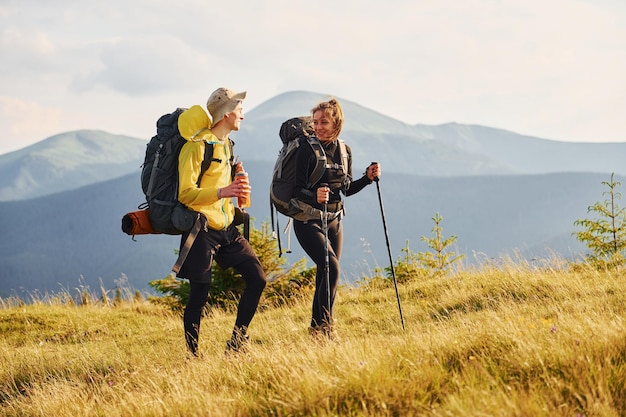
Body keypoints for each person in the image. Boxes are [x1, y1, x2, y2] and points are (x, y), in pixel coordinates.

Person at [176, 87, 267, 356]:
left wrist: (237, 188)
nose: (243, 116)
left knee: (257, 278)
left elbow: (227, 188)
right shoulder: (196, 147)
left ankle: (237, 342)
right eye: (240, 111)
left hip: (226, 228)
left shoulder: (226, 145)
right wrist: (223, 191)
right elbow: (185, 193)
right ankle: (193, 355)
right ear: (226, 114)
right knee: (200, 293)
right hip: (201, 229)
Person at [293, 97, 381, 338]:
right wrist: (314, 194)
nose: (319, 127)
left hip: (334, 220)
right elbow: (296, 189)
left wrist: (367, 178)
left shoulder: (344, 150)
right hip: (307, 220)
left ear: (336, 123)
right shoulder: (305, 150)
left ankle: (315, 329)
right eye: (315, 122)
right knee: (332, 268)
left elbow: (347, 189)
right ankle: (326, 328)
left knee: (326, 273)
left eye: (324, 122)